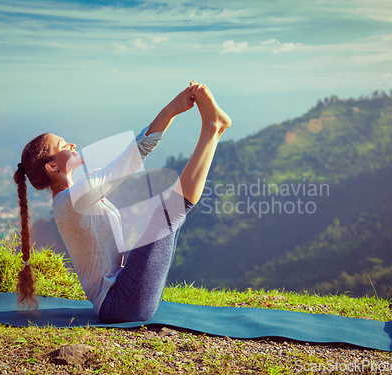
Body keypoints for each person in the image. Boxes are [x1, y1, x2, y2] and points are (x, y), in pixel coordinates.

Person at [13, 81, 231, 323]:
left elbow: (124, 159)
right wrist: (171, 109)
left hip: (125, 293)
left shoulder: (76, 194)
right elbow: (132, 158)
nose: (72, 144)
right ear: (52, 166)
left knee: (164, 216)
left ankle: (213, 130)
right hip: (119, 304)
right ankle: (212, 130)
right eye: (63, 145)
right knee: (166, 214)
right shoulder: (69, 201)